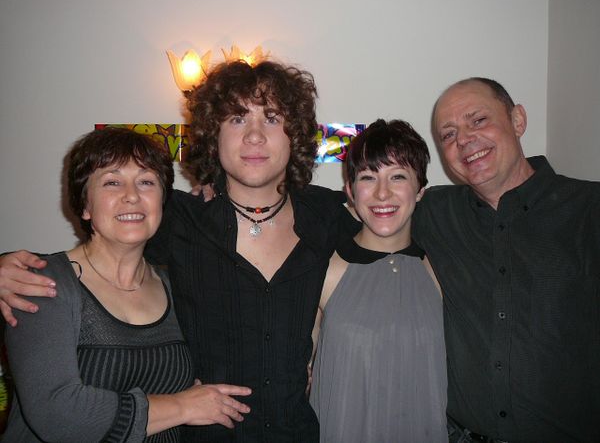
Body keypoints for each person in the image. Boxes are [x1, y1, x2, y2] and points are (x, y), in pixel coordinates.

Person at [0, 60, 350, 442]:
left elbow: (395, 238)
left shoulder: (328, 215)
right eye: (236, 119)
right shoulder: (178, 219)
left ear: (294, 134)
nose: (253, 136)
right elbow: (104, 239)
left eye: (271, 118)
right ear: (213, 136)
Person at [2, 127, 251, 442]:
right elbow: (57, 413)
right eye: (112, 182)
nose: (132, 195)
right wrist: (181, 407)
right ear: (85, 206)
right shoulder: (42, 283)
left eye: (146, 182)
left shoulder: (177, 287)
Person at [414, 77, 600, 442]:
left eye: (478, 120)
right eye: (448, 135)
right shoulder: (435, 211)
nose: (464, 139)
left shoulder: (588, 210)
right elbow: (362, 210)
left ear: (518, 120)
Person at [309, 119, 447, 442]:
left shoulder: (440, 270)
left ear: (420, 189)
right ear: (350, 191)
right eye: (368, 178)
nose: (382, 193)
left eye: (397, 176)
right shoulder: (325, 270)